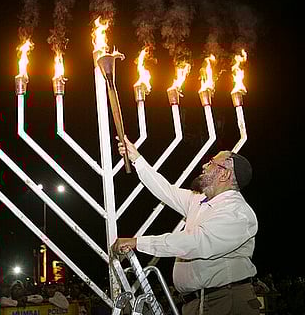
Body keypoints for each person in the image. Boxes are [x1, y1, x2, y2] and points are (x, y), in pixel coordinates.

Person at [112, 135, 261, 315]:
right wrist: (136, 158)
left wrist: (138, 242)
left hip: (224, 301)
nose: (204, 166)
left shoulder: (237, 213)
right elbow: (166, 191)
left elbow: (196, 243)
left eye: (212, 162)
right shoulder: (199, 201)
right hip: (197, 303)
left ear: (224, 174)